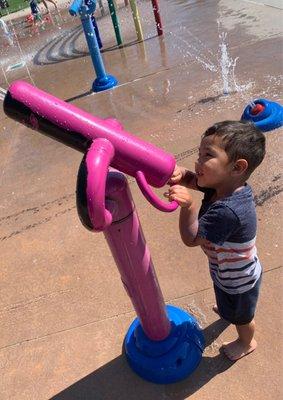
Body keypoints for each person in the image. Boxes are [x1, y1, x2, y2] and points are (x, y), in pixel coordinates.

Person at [166, 120, 265, 361]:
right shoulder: (225, 186)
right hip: (224, 269)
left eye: (207, 156)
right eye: (199, 154)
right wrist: (184, 175)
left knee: (243, 317)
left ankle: (246, 341)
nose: (198, 162)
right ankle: (226, 310)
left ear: (237, 167)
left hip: (239, 281)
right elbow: (198, 182)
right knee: (224, 297)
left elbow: (191, 239)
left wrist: (188, 207)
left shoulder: (228, 210)